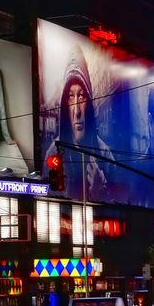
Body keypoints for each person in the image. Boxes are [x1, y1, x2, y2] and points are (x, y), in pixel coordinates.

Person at [43, 43, 113, 200]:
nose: (77, 111)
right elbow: (47, 199)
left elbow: (123, 203)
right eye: (71, 96)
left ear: (89, 102)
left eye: (81, 96)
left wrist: (99, 191)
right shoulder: (53, 153)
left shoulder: (105, 154)